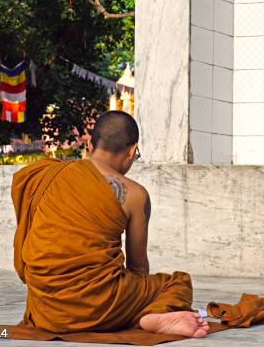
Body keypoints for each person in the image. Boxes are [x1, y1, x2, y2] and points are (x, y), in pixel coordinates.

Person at [11, 110, 208, 337]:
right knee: (176, 283)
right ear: (132, 150)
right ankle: (148, 315)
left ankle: (141, 315)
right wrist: (131, 300)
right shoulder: (135, 194)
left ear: (90, 145)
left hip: (47, 309)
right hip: (103, 307)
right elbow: (138, 267)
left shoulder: (48, 175)